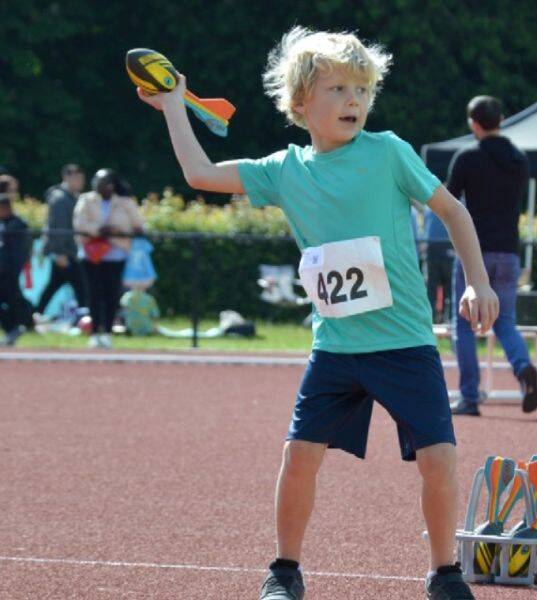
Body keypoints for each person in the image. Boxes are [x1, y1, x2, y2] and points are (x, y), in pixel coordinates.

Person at [137, 26, 498, 600]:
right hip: (335, 347)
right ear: (301, 102)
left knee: (440, 457)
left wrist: (477, 283)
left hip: (404, 343)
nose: (353, 100)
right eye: (337, 88)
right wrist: (173, 106)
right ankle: (284, 570)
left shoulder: (388, 153)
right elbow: (200, 176)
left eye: (361, 88)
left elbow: (453, 212)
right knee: (299, 455)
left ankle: (444, 572)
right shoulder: (285, 170)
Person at [447, 95, 537, 417]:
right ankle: (522, 366)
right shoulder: (519, 159)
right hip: (508, 252)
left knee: (463, 324)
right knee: (504, 320)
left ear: (474, 124)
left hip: (474, 253)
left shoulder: (467, 158)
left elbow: (449, 203)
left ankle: (470, 397)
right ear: (501, 120)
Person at [73, 169, 145, 348]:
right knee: (94, 293)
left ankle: (107, 332)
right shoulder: (86, 200)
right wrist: (99, 229)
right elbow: (79, 223)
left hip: (115, 254)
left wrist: (117, 231)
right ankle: (95, 332)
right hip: (91, 254)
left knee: (111, 294)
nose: (98, 186)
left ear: (111, 185)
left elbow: (138, 225)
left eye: (103, 183)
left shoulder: (125, 202)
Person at [35, 164, 88, 318]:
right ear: (66, 177)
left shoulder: (74, 197)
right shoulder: (59, 199)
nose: (79, 182)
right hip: (64, 252)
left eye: (81, 178)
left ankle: (36, 314)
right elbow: (56, 228)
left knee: (54, 285)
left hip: (70, 250)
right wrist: (58, 253)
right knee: (80, 286)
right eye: (76, 178)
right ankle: (85, 318)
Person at [0, 176, 31, 346]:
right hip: (3, 270)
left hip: (9, 271)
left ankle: (17, 326)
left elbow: (19, 252)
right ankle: (14, 328)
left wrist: (11, 269)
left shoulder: (17, 225)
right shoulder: (4, 223)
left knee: (13, 300)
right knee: (12, 300)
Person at [422, 206, 454, 323]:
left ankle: (430, 321)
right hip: (448, 251)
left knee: (431, 291)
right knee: (450, 291)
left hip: (433, 251)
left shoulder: (428, 207)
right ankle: (449, 320)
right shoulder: (455, 204)